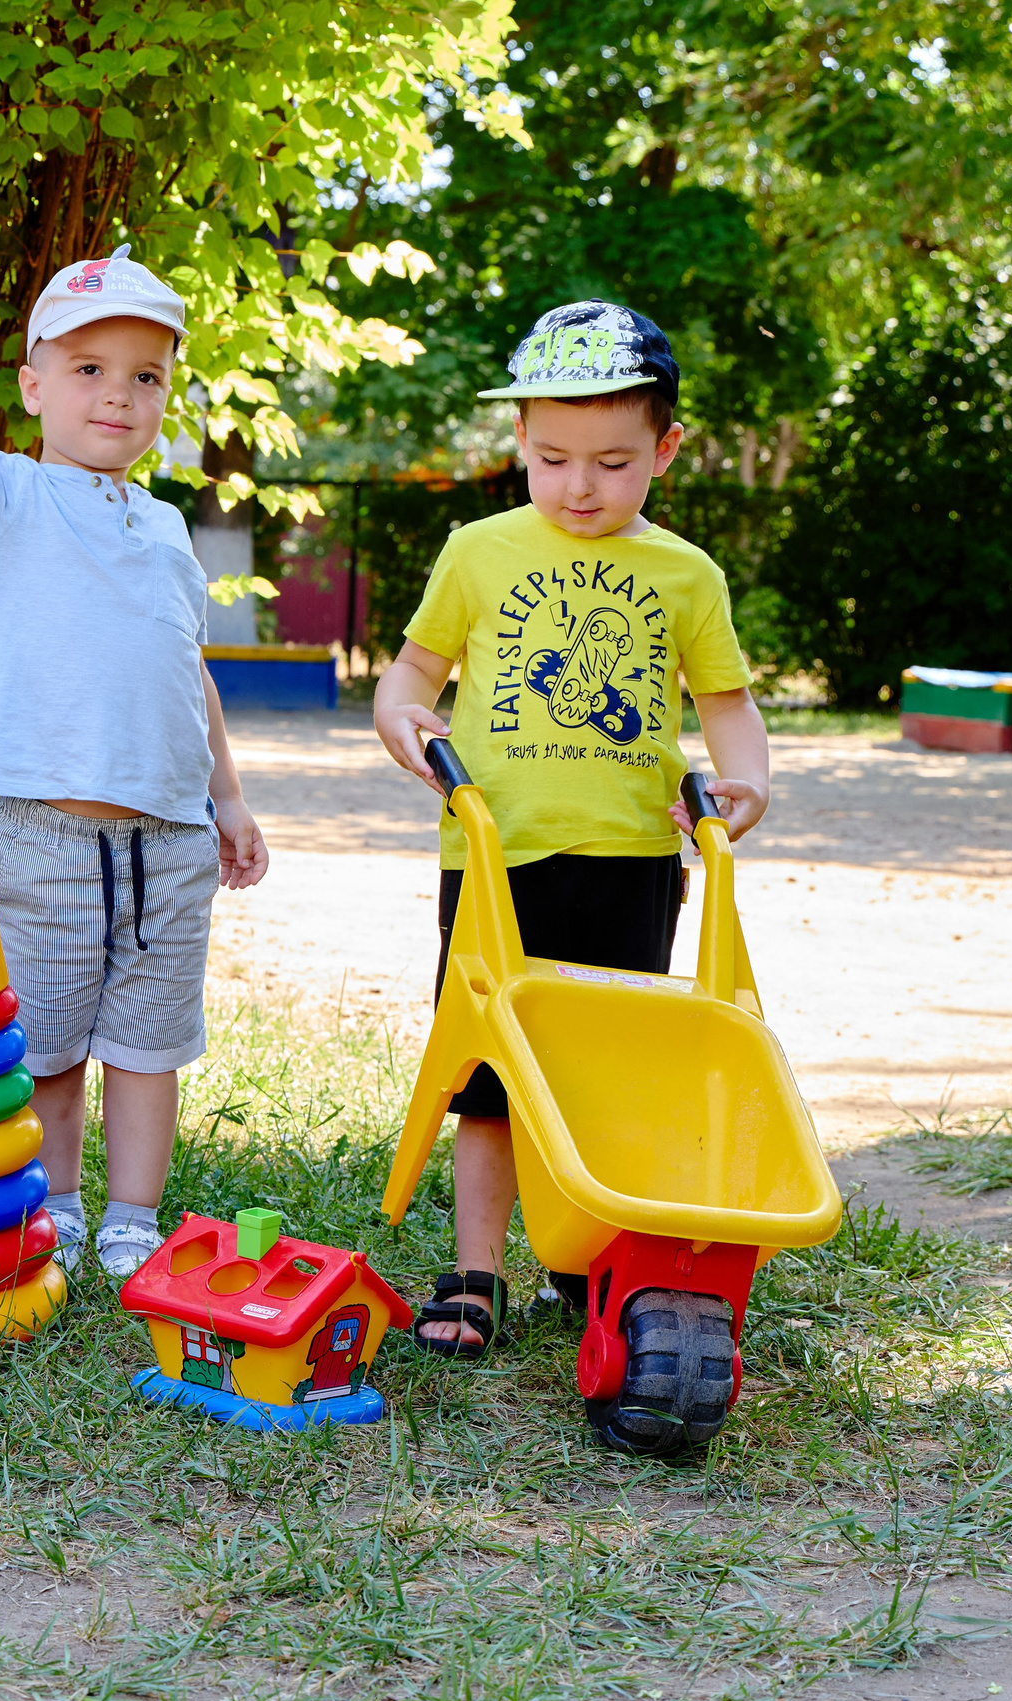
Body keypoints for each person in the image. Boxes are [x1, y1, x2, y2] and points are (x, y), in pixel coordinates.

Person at [0, 221, 270, 1279]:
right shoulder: (5, 498)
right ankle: (59, 1204)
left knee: (151, 1047)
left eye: (145, 376)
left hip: (168, 839)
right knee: (54, 1049)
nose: (117, 395)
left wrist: (230, 797)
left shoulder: (165, 527)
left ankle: (132, 1217)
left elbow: (184, 668)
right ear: (32, 388)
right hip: (47, 839)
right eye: (87, 370)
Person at [372, 300, 772, 1354]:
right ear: (519, 444)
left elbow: (723, 701)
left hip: (632, 859)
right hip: (496, 859)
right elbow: (414, 672)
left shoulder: (687, 575)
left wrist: (747, 780)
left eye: (609, 460)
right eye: (551, 458)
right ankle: (474, 1272)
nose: (579, 486)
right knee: (492, 1078)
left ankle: (587, 1257)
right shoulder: (477, 550)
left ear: (665, 450)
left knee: (611, 1074)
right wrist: (397, 719)